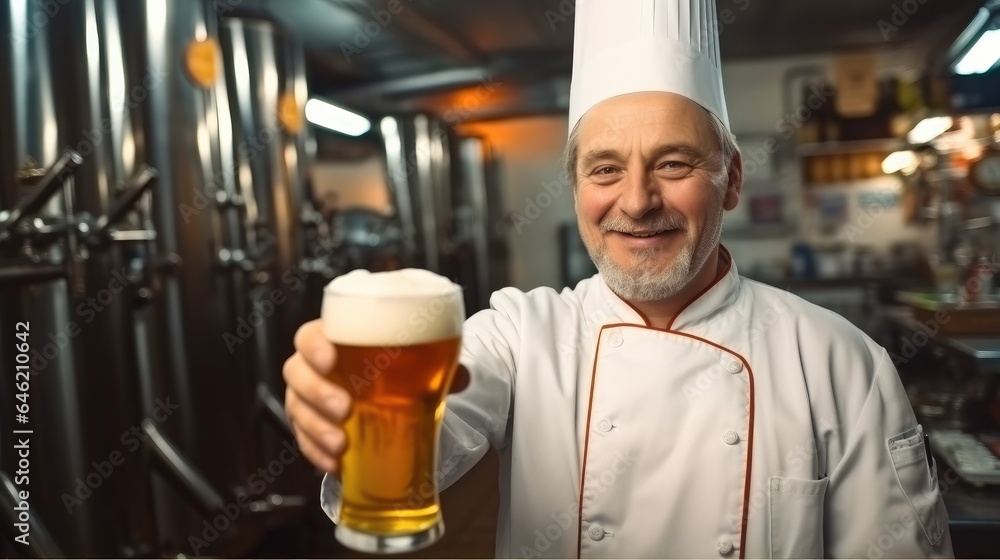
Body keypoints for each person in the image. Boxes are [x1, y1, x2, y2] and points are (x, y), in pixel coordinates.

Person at [283, 0, 954, 557]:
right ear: (575, 187)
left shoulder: (842, 364)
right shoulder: (522, 334)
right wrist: (348, 409)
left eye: (673, 163)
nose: (636, 201)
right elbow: (432, 430)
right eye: (605, 169)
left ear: (733, 179)